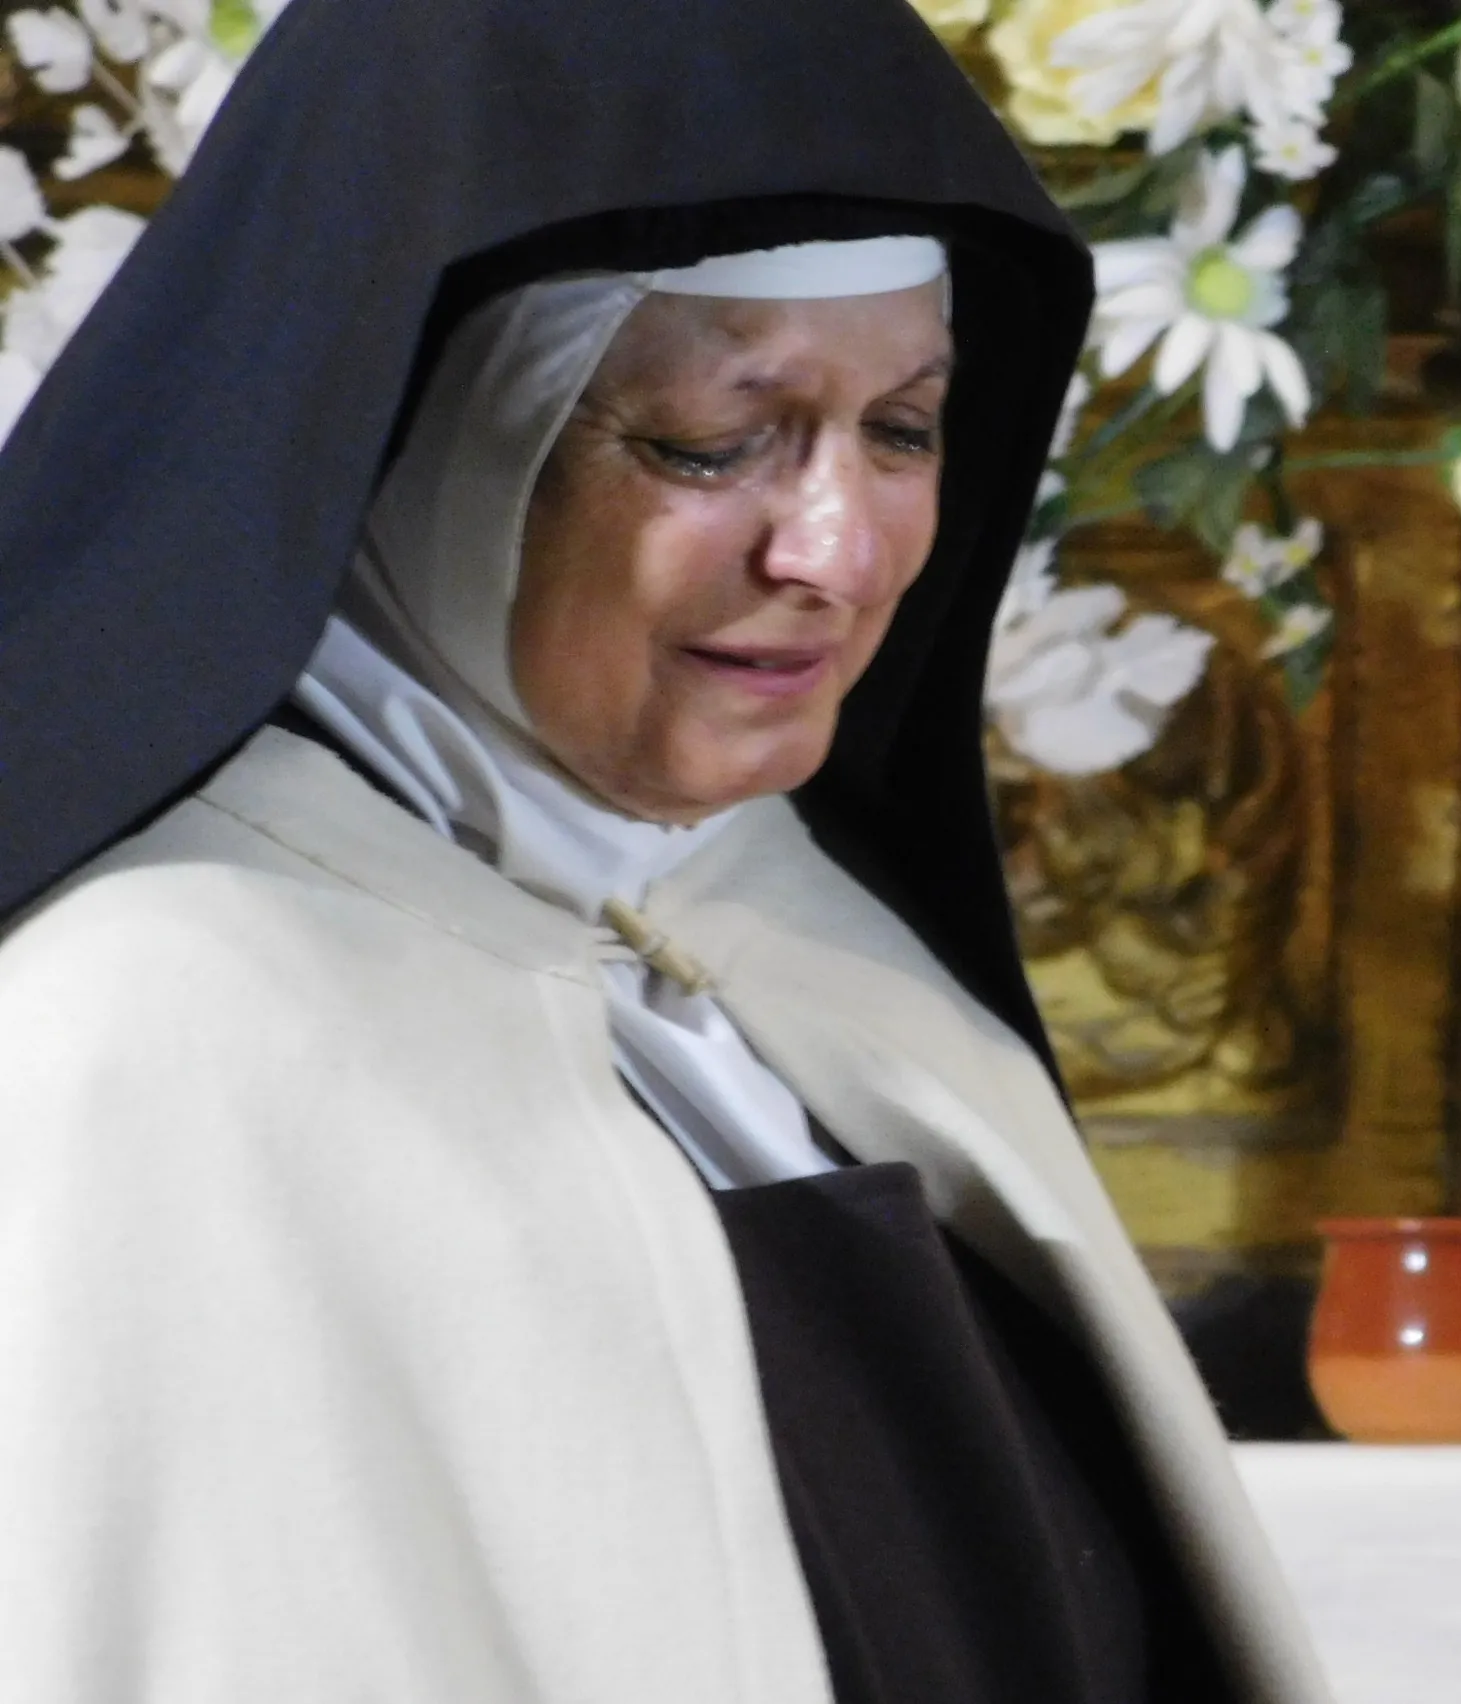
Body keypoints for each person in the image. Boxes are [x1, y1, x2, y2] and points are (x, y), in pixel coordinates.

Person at [0, 1, 1334, 1700]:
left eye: (904, 430)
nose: (840, 554)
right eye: (714, 443)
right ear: (426, 439)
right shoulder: (151, 1041)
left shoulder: (810, 951)